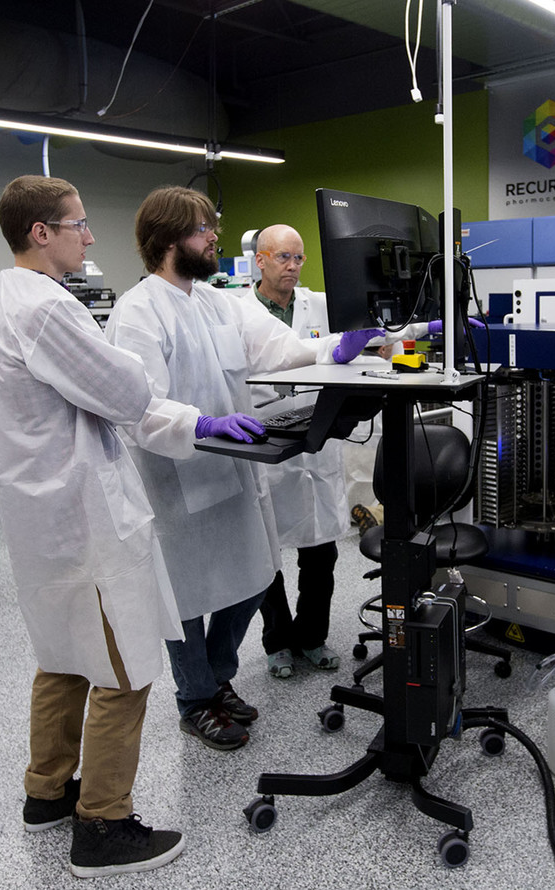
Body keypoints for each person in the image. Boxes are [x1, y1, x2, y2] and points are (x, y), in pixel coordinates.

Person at [0, 175, 228, 878]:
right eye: (78, 224)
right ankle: (104, 823)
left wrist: (181, 416)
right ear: (41, 233)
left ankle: (46, 791)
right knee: (124, 671)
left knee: (61, 655)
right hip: (83, 517)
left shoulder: (11, 296)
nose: (89, 237)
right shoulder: (47, 310)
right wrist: (193, 417)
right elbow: (124, 392)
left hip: (44, 520)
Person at [105, 187, 379, 752]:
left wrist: (335, 349)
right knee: (187, 596)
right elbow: (139, 406)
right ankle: (194, 700)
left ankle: (216, 677)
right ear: (169, 238)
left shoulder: (217, 302)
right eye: (204, 229)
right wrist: (202, 426)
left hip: (234, 469)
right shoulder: (138, 311)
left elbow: (277, 349)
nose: (215, 238)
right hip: (178, 477)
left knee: (252, 576)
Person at [247, 224, 367, 679]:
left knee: (321, 552)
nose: (294, 266)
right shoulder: (240, 310)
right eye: (283, 257)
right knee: (267, 555)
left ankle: (312, 637)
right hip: (266, 437)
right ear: (260, 260)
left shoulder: (319, 304)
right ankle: (277, 641)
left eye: (299, 258)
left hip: (316, 440)